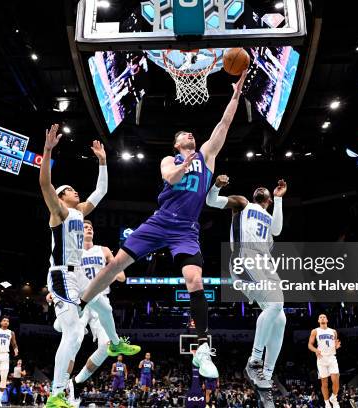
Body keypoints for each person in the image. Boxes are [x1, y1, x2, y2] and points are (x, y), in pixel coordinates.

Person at [77, 71, 248, 380]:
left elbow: (223, 124)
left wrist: (236, 95)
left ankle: (202, 350)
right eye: (186, 136)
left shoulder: (207, 156)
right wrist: (184, 163)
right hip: (159, 222)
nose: (191, 137)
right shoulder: (169, 161)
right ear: (176, 143)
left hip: (186, 230)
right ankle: (80, 303)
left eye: (193, 136)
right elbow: (171, 178)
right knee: (115, 264)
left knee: (195, 281)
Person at [39, 124, 136, 408]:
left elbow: (102, 190)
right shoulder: (58, 212)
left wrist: (103, 161)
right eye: (69, 189)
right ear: (61, 197)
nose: (75, 191)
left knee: (102, 303)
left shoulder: (80, 212)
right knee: (74, 332)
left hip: (78, 275)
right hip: (61, 276)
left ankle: (115, 341)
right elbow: (45, 184)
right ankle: (57, 393)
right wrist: (47, 150)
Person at [205, 175, 286, 407]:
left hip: (265, 263)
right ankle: (254, 361)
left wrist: (279, 200)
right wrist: (217, 185)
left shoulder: (270, 215)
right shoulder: (242, 203)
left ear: (269, 200)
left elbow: (277, 230)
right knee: (275, 305)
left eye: (267, 192)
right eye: (259, 188)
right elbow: (212, 201)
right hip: (244, 257)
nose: (261, 187)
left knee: (280, 318)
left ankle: (266, 379)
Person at [64, 220, 127, 404]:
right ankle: (62, 389)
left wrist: (108, 273)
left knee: (106, 346)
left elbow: (122, 276)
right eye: (84, 227)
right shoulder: (74, 252)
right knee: (73, 341)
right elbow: (64, 274)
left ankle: (76, 382)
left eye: (91, 227)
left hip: (100, 300)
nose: (89, 228)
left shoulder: (104, 250)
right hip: (81, 300)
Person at [308, 314, 341, 408]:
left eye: (324, 317)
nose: (322, 318)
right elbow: (310, 345)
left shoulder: (333, 331)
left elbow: (334, 344)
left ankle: (334, 398)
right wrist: (316, 350)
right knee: (324, 382)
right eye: (320, 317)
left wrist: (336, 347)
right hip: (321, 358)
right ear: (318, 320)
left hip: (331, 357)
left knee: (336, 380)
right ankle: (327, 403)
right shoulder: (315, 331)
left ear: (327, 320)